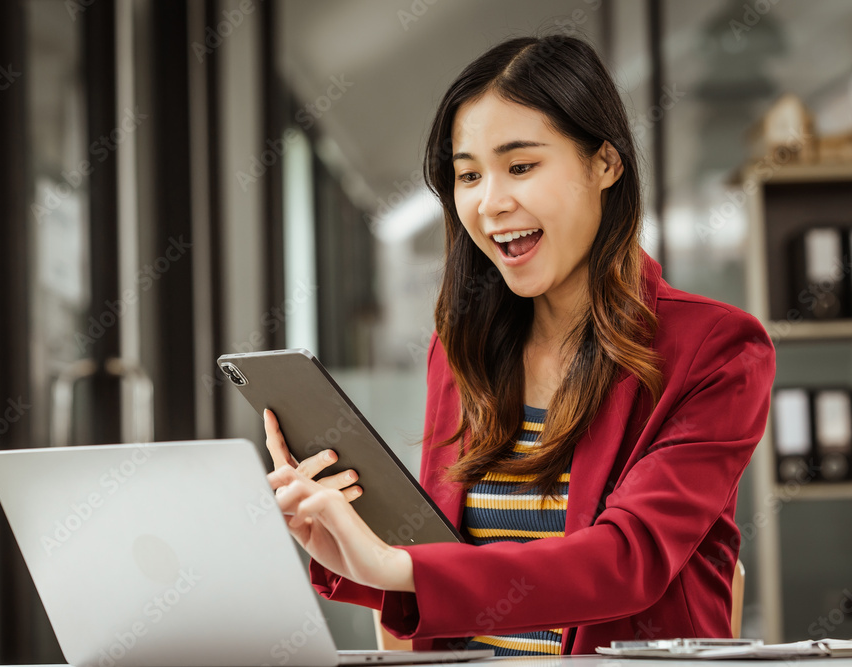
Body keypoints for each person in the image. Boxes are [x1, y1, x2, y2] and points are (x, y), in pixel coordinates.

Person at [263, 34, 775, 657]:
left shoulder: (715, 348)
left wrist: (400, 569)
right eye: (469, 175)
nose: (491, 202)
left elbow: (629, 560)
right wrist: (345, 543)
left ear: (605, 164)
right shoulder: (462, 349)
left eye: (522, 166)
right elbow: (444, 565)